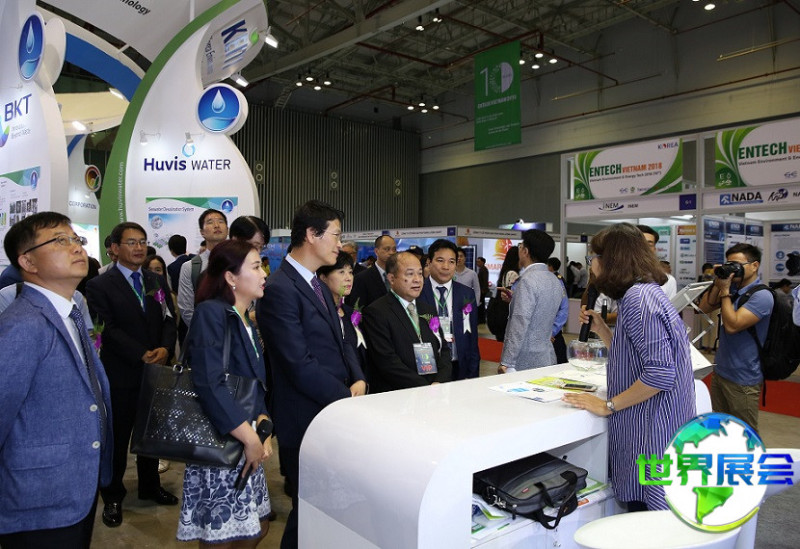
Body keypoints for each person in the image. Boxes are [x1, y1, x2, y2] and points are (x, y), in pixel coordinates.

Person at [562, 222, 696, 512]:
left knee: (649, 515)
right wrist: (603, 330)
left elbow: (660, 374)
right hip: (657, 425)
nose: (591, 264)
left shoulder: (638, 300)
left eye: (593, 257)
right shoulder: (644, 293)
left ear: (610, 260)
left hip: (652, 430)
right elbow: (635, 356)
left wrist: (607, 406)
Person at [256, 200, 366, 549]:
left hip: (331, 410)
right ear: (311, 235)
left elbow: (341, 340)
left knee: (329, 510)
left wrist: (357, 379)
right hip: (305, 417)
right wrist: (345, 397)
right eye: (335, 235)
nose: (339, 244)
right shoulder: (280, 288)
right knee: (310, 512)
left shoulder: (315, 284)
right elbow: (298, 364)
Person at [0, 212, 113, 548]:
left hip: (74, 487)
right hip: (39, 498)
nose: (77, 247)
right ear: (27, 261)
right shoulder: (23, 324)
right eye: (60, 240)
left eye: (76, 239)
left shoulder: (70, 312)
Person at [177, 240, 273, 546]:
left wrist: (263, 423)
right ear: (231, 277)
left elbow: (254, 380)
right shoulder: (211, 313)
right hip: (222, 442)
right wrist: (249, 437)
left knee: (256, 528)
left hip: (246, 437)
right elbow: (209, 382)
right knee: (222, 536)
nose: (264, 274)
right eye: (256, 267)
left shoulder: (245, 319)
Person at [86, 222, 178, 528]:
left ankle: (150, 486)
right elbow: (104, 329)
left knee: (150, 433)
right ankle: (113, 495)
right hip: (120, 373)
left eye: (142, 241)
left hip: (155, 371)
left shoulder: (154, 279)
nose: (139, 248)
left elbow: (168, 317)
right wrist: (140, 352)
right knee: (118, 436)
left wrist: (165, 348)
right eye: (131, 242)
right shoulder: (99, 285)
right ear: (114, 248)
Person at [698, 243, 773, 433]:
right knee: (722, 431)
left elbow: (732, 326)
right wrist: (719, 283)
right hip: (721, 372)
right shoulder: (734, 290)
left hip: (744, 378)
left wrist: (725, 292)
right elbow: (704, 307)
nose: (733, 269)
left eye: (737, 265)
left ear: (754, 266)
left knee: (745, 434)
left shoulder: (762, 296)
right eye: (729, 264)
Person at [363, 251, 452, 391]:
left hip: (434, 389)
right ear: (391, 278)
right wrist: (424, 388)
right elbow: (387, 361)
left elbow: (444, 349)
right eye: (410, 274)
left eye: (420, 273)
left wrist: (439, 381)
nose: (417, 280)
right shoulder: (377, 312)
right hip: (399, 393)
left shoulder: (428, 309)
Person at [498, 230, 565, 372]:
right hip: (547, 355)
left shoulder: (527, 281)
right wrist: (515, 299)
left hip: (524, 360)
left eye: (520, 246)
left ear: (525, 251)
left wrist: (507, 362)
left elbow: (519, 323)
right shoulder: (554, 280)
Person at [419, 239, 480, 380]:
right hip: (428, 367)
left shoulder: (466, 294)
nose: (446, 267)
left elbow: (472, 338)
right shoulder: (418, 292)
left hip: (459, 366)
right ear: (429, 262)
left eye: (451, 262)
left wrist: (472, 374)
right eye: (440, 260)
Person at [317, 251, 369, 382]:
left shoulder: (352, 313)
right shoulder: (319, 314)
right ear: (323, 278)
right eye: (341, 272)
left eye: (350, 272)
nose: (348, 278)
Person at [178, 210, 229, 329]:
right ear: (202, 232)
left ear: (227, 229)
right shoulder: (190, 267)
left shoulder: (241, 262)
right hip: (205, 334)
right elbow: (187, 309)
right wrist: (208, 333)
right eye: (210, 222)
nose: (216, 225)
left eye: (221, 221)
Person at [347, 235, 396, 308]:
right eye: (387, 249)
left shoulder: (398, 275)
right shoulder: (362, 278)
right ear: (376, 251)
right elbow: (357, 308)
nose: (391, 252)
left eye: (394, 249)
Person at [486, 246, 519, 342]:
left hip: (501, 316)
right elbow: (510, 297)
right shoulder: (512, 274)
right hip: (507, 317)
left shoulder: (505, 272)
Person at [637, 225, 677, 299]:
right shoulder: (617, 277)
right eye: (640, 244)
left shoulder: (667, 280)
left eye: (649, 245)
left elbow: (671, 306)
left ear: (654, 249)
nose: (644, 248)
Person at [476, 256, 489, 324]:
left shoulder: (484, 270)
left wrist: (483, 290)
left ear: (483, 262)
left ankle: (481, 320)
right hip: (481, 290)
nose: (477, 263)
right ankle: (481, 319)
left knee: (481, 305)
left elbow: (485, 280)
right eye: (477, 262)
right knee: (481, 305)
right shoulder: (481, 269)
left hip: (482, 291)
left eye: (479, 262)